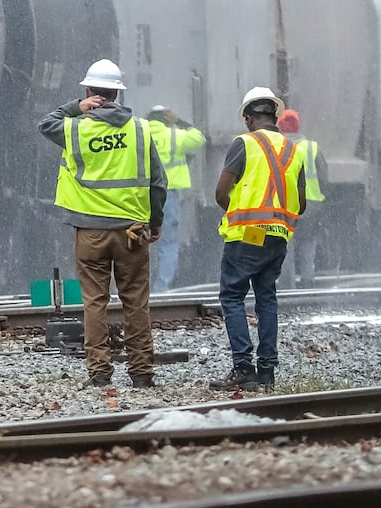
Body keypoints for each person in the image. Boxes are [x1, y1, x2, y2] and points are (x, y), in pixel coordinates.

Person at [37, 59, 166, 388]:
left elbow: (46, 123)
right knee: (136, 302)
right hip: (132, 231)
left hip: (90, 231)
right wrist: (156, 221)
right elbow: (158, 182)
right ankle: (141, 372)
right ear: (118, 93)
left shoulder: (75, 128)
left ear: (89, 91)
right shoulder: (139, 129)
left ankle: (99, 370)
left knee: (94, 302)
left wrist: (77, 107)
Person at [208, 87, 307, 392]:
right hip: (278, 237)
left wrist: (240, 211)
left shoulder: (244, 144)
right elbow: (301, 203)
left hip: (247, 234)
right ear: (274, 116)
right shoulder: (294, 150)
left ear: (249, 118)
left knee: (233, 296)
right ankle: (267, 370)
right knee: (266, 298)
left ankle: (242, 368)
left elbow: (221, 193)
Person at [142, 105, 206, 291]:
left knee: (138, 241)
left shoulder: (140, 135)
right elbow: (199, 138)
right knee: (168, 241)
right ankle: (161, 288)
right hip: (167, 195)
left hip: (141, 194)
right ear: (165, 119)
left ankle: (137, 287)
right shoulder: (174, 136)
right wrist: (178, 122)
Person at [277, 108, 329, 288]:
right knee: (308, 243)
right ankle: (308, 281)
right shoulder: (312, 147)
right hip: (311, 205)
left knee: (285, 245)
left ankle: (286, 285)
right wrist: (322, 196)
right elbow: (323, 176)